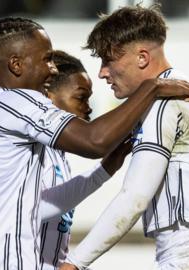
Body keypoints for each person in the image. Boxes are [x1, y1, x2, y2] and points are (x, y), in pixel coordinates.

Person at [0, 17, 189, 269]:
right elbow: (95, 141)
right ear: (16, 64)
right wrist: (151, 87)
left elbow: (34, 207)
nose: (53, 68)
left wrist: (102, 172)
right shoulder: (16, 103)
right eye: (46, 59)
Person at [62, 4, 189, 270]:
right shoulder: (186, 89)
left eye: (108, 60)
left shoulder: (164, 101)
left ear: (142, 57)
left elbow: (134, 196)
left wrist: (74, 263)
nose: (102, 72)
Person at [38, 50, 131, 269]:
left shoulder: (57, 154)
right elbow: (33, 211)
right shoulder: (28, 149)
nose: (89, 108)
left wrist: (105, 169)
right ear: (47, 97)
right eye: (81, 97)